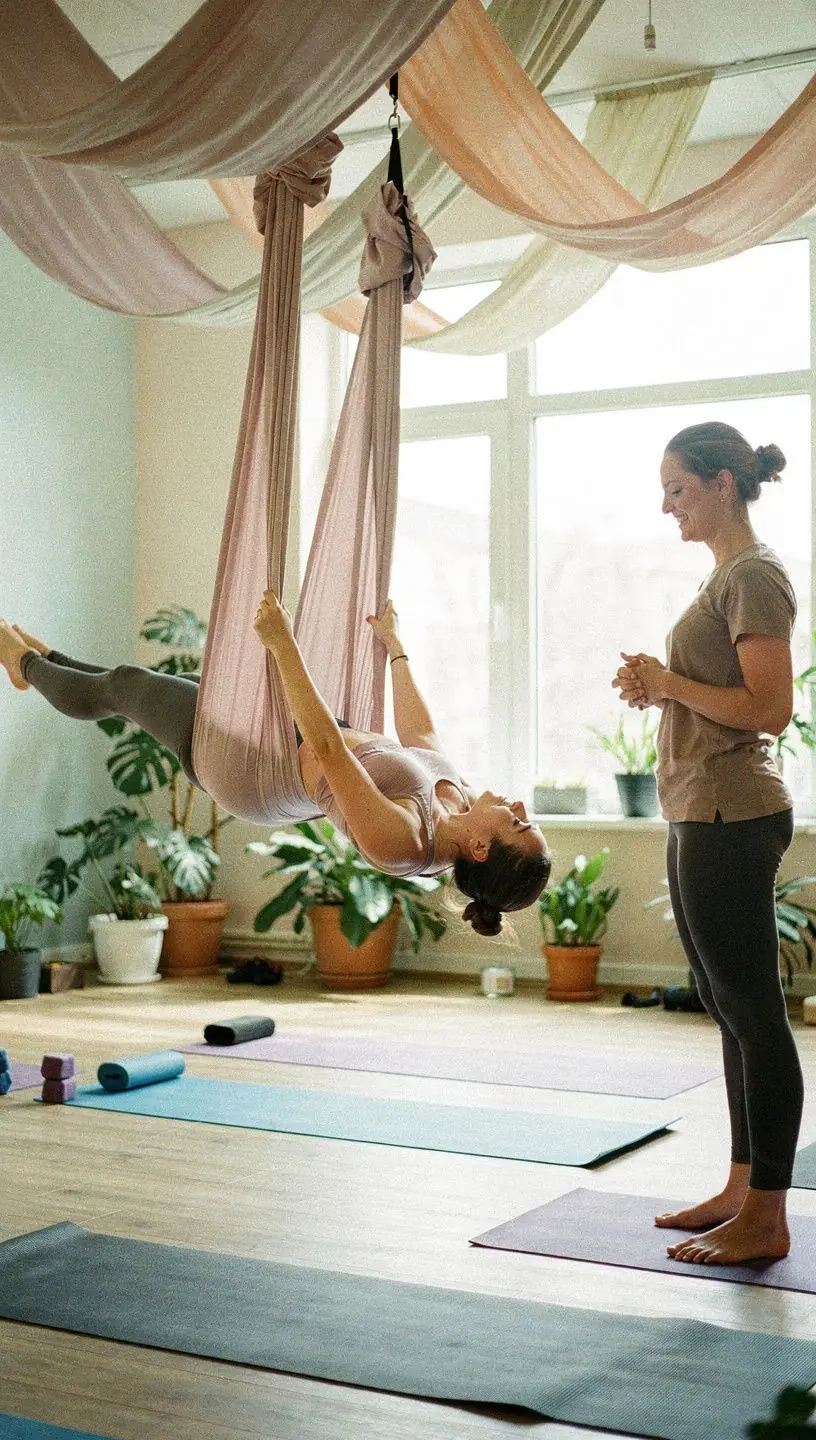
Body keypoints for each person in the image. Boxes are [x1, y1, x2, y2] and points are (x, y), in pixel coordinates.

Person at [0, 595, 550, 935]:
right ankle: (47, 664)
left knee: (129, 688)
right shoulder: (457, 799)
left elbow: (332, 753)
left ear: (480, 849)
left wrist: (283, 646)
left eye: (519, 824)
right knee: (142, 684)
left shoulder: (405, 842)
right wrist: (394, 647)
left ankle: (23, 664)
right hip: (283, 734)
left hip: (250, 769)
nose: (520, 807)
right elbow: (422, 735)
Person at [612, 420, 802, 1266]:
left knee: (755, 1015)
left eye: (678, 489)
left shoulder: (753, 576)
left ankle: (768, 1213)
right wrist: (661, 692)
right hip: (698, 810)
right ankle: (739, 1186)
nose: (667, 506)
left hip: (734, 811)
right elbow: (717, 694)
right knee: (729, 1012)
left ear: (724, 484)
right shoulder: (723, 579)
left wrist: (669, 681)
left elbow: (769, 709)